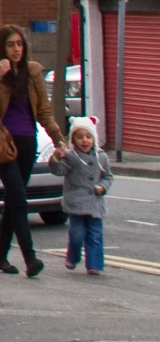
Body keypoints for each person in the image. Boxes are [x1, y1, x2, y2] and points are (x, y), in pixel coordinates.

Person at [0, 23, 66, 276]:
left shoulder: (34, 71)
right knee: (18, 197)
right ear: (1, 48)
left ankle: (1, 256)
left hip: (28, 142)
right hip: (2, 143)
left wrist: (58, 138)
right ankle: (30, 258)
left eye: (19, 44)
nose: (16, 49)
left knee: (13, 200)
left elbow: (44, 112)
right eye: (11, 44)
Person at [48, 116, 112, 275]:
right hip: (76, 204)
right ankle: (73, 256)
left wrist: (102, 187)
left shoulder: (101, 157)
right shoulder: (70, 157)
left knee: (95, 236)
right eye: (79, 137)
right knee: (77, 235)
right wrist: (56, 157)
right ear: (73, 140)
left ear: (94, 138)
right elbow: (58, 171)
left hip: (95, 205)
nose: (84, 141)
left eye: (88, 137)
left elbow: (108, 176)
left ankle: (94, 265)